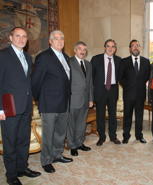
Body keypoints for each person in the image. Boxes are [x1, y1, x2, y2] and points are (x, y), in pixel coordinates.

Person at [0, 27, 41, 185]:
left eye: (24, 36)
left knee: (23, 140)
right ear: (10, 38)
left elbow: (27, 83)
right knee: (10, 141)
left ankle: (22, 168)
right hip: (9, 107)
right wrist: (0, 109)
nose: (21, 39)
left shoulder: (27, 56)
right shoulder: (3, 56)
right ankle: (11, 175)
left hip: (26, 107)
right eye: (17, 36)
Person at [32, 30, 73, 173]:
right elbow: (35, 81)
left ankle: (57, 154)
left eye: (62, 38)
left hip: (64, 102)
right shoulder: (43, 57)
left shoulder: (66, 57)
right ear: (50, 41)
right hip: (49, 103)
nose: (60, 41)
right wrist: (38, 99)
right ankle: (46, 160)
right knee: (48, 134)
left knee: (61, 132)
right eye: (56, 38)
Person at [91, 39, 122, 146]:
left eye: (113, 46)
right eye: (108, 46)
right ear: (104, 47)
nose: (110, 48)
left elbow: (122, 77)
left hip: (113, 89)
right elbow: (91, 78)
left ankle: (113, 136)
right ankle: (102, 137)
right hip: (100, 89)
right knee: (100, 115)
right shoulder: (96, 59)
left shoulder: (119, 60)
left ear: (115, 49)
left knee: (112, 114)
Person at [120, 39, 151, 144]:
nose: (135, 47)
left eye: (137, 45)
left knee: (139, 117)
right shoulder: (124, 61)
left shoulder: (146, 62)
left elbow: (147, 76)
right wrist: (128, 87)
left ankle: (139, 135)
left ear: (140, 48)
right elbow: (121, 78)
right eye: (133, 46)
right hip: (128, 94)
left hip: (141, 94)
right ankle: (126, 135)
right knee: (127, 116)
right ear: (130, 49)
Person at [67, 41, 93, 156]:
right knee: (71, 124)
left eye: (84, 49)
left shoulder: (88, 64)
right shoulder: (69, 62)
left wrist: (91, 99)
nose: (82, 51)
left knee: (82, 124)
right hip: (72, 99)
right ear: (75, 50)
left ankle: (79, 143)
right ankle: (72, 145)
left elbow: (90, 83)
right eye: (80, 49)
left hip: (85, 99)